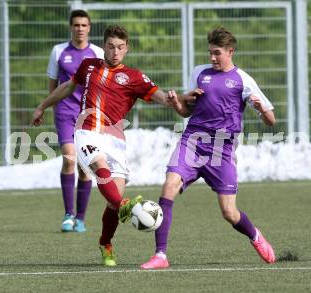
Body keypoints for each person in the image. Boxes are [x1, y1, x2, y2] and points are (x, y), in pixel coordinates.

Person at [32, 25, 175, 266]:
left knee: (112, 201)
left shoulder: (134, 76)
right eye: (111, 46)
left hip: (116, 139)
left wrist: (177, 101)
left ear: (126, 49)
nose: (115, 51)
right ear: (104, 47)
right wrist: (42, 106)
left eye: (120, 47)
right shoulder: (89, 66)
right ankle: (129, 207)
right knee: (101, 170)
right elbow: (67, 87)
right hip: (86, 131)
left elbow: (160, 97)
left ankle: (105, 243)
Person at [141, 26, 277, 269]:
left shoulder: (244, 80)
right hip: (192, 141)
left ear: (230, 52)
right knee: (169, 186)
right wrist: (177, 103)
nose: (212, 58)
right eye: (210, 53)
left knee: (229, 212)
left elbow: (271, 121)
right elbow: (186, 111)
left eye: (217, 53)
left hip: (221, 150)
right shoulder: (199, 73)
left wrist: (261, 108)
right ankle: (160, 255)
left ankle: (255, 235)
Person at [46, 9, 104, 233]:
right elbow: (53, 84)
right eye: (76, 25)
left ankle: (80, 218)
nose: (80, 29)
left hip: (88, 117)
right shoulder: (59, 51)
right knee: (69, 159)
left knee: (84, 167)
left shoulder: (98, 53)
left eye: (84, 25)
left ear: (89, 28)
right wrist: (47, 106)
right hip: (64, 114)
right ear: (71, 27)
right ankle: (68, 215)